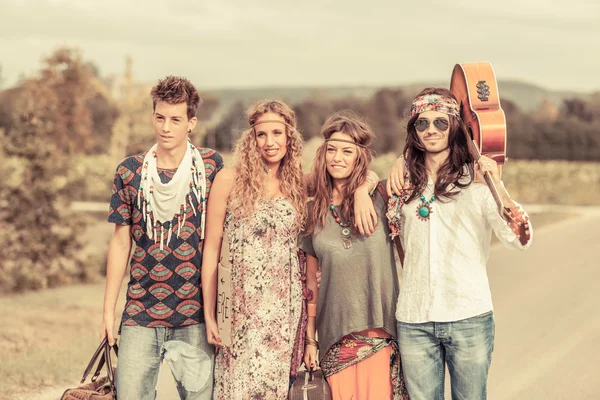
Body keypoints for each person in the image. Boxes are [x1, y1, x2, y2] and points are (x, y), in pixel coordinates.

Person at [201, 101, 380, 399]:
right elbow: (211, 250)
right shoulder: (228, 179)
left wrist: (364, 188)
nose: (269, 142)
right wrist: (209, 313)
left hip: (284, 313)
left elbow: (349, 177)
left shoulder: (298, 183)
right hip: (239, 310)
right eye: (261, 134)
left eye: (277, 133)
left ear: (289, 137)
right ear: (251, 138)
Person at [386, 87, 533, 399]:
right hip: (414, 322)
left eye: (440, 122)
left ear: (454, 127)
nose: (431, 130)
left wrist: (499, 186)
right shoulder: (402, 186)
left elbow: (519, 238)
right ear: (413, 131)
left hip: (469, 317)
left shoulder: (477, 183)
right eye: (422, 123)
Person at [100, 76, 223, 400]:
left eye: (175, 119)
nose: (166, 127)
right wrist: (108, 312)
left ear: (191, 122)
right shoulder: (129, 171)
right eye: (160, 117)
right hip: (141, 312)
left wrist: (363, 179)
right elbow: (120, 243)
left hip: (193, 316)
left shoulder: (211, 168)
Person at [300, 110, 409, 400]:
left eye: (347, 151)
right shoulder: (313, 212)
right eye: (332, 150)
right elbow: (310, 284)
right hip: (334, 337)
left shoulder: (383, 196)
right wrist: (310, 340)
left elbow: (421, 167)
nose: (337, 158)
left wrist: (366, 186)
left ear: (359, 157)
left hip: (380, 333)